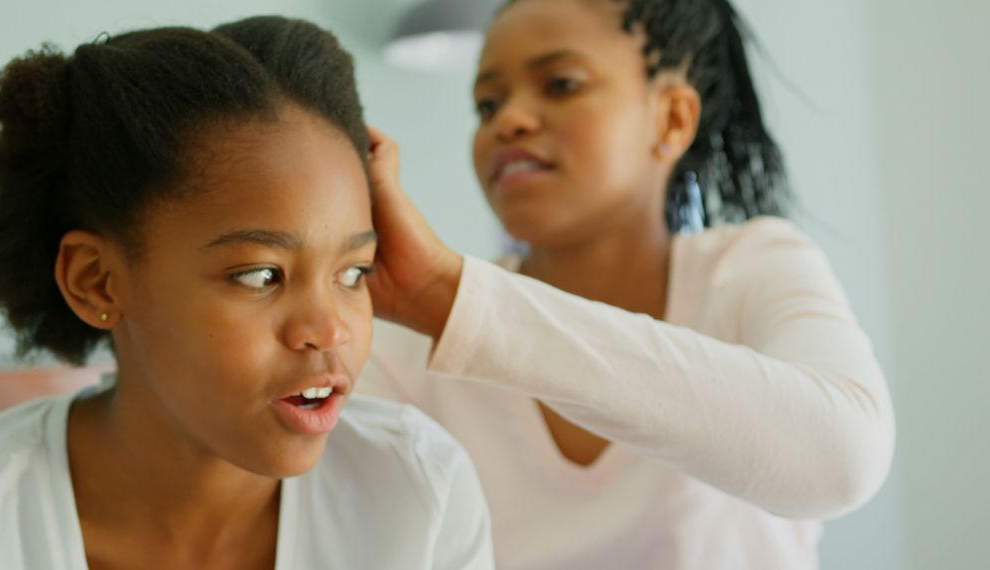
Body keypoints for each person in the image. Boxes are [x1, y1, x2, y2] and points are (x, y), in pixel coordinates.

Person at [0, 16, 493, 570]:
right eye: (262, 276)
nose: (330, 329)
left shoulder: (419, 489)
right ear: (97, 280)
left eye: (353, 272)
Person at [358, 0, 895, 568]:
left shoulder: (750, 267)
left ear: (672, 120)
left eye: (561, 84)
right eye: (487, 104)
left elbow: (842, 462)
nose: (508, 120)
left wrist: (453, 300)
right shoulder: (411, 339)